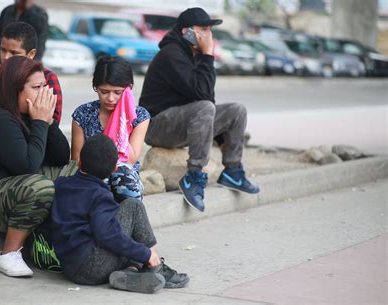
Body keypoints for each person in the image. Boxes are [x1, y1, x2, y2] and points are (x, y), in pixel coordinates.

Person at [0, 56, 77, 278]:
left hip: (5, 189)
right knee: (40, 186)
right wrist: (39, 123)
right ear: (14, 89)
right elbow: (27, 167)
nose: (44, 93)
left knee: (75, 171)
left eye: (44, 87)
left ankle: (67, 235)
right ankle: (9, 253)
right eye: (36, 87)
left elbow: (60, 158)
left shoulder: (26, 115)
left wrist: (48, 122)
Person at [139, 7, 259, 212]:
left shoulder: (193, 55)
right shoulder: (172, 54)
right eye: (204, 29)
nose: (208, 35)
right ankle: (193, 177)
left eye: (209, 29)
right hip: (156, 126)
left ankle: (233, 170)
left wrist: (221, 139)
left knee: (236, 110)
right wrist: (208, 54)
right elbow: (202, 96)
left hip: (181, 121)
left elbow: (207, 98)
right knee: (203, 107)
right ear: (187, 32)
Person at [47, 134, 189, 293]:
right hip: (93, 266)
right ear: (115, 168)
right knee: (133, 206)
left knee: (123, 232)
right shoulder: (100, 196)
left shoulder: (61, 184)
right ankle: (154, 265)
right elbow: (108, 235)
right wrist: (145, 253)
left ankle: (131, 271)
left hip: (69, 267)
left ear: (79, 161)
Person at [71, 55, 150, 202]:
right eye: (104, 91)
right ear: (96, 88)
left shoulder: (139, 116)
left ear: (129, 89)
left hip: (124, 182)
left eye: (118, 92)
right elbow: (76, 161)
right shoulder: (82, 114)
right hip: (90, 178)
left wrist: (122, 118)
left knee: (121, 175)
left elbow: (130, 159)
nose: (111, 98)